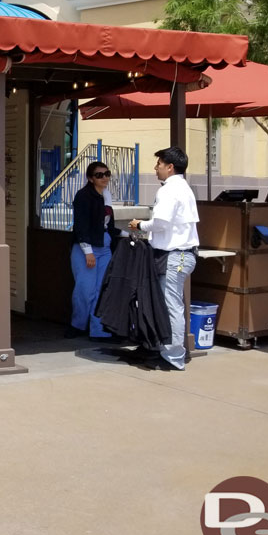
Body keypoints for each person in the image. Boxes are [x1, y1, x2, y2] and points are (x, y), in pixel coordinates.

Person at [129, 147, 199, 370]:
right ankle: (163, 348)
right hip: (178, 255)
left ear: (170, 167)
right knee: (168, 304)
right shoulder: (183, 188)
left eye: (158, 164)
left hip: (174, 256)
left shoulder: (170, 190)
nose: (155, 168)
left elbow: (161, 223)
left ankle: (173, 356)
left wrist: (139, 225)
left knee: (170, 306)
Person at [69, 161, 120, 340]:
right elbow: (81, 226)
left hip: (104, 245)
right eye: (99, 175)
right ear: (91, 178)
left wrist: (126, 233)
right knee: (85, 289)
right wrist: (87, 251)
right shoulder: (83, 196)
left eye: (107, 173)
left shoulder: (107, 195)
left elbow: (108, 224)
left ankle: (98, 330)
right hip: (86, 248)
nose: (104, 178)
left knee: (101, 289)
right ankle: (78, 325)